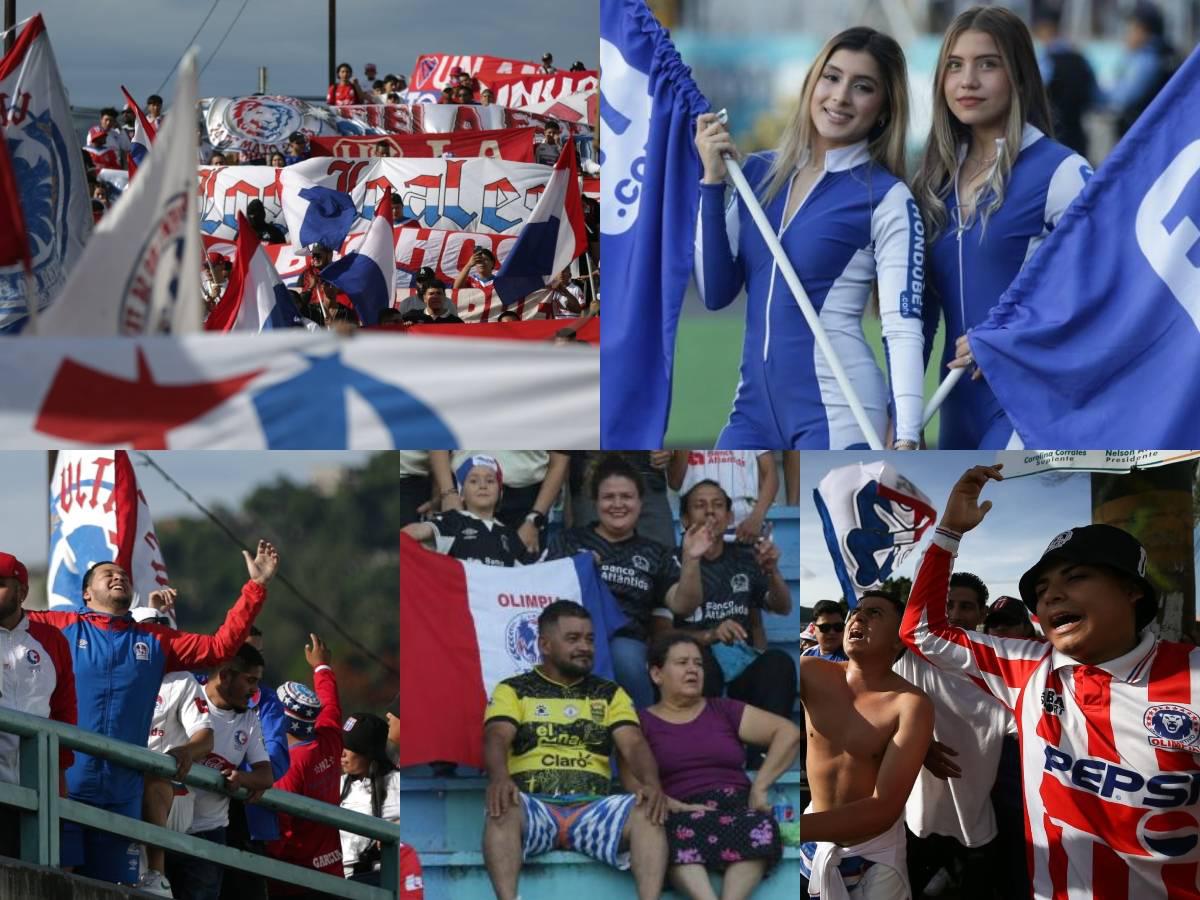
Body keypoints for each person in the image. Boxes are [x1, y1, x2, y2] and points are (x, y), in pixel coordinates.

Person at [902, 463, 1200, 898]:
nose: (1051, 596)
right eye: (1041, 590)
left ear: (1133, 590)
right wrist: (948, 531)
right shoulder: (1027, 667)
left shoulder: (1192, 677)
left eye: (1076, 577)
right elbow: (921, 631)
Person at [695, 27, 925, 449]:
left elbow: (902, 326)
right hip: (751, 411)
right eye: (832, 77)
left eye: (862, 87)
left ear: (884, 109)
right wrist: (711, 183)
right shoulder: (756, 174)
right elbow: (714, 292)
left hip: (842, 412)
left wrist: (908, 433)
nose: (840, 97)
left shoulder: (886, 196)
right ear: (812, 83)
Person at [26, 542, 278, 886]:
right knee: (54, 884)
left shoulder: (156, 640)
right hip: (65, 785)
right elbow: (9, 615)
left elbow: (220, 647)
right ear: (86, 592)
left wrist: (256, 587)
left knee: (114, 891)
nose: (118, 577)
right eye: (107, 574)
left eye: (123, 575)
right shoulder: (61, 625)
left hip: (123, 794)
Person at [913, 6, 1092, 449]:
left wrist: (1010, 338)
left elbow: (1101, 295)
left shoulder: (1063, 172)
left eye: (987, 64)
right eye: (954, 66)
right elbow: (921, 320)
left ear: (1020, 77)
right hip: (953, 408)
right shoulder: (932, 183)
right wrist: (902, 414)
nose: (967, 81)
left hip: (1030, 406)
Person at [482, 601, 669, 900]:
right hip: (535, 808)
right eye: (573, 639)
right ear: (544, 644)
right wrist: (499, 778)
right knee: (502, 806)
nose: (585, 646)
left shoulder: (610, 693)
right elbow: (496, 737)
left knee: (648, 811)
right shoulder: (514, 689)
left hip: (593, 810)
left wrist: (652, 785)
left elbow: (633, 743)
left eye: (590, 639)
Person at [639, 631, 801, 899]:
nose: (693, 669)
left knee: (759, 825)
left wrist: (759, 787)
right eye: (682, 663)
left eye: (698, 664)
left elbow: (787, 733)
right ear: (656, 674)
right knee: (670, 834)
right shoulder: (642, 722)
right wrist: (675, 805)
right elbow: (635, 781)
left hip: (735, 805)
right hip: (680, 808)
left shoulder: (722, 710)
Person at [798, 591, 934, 898]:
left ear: (899, 640)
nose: (857, 617)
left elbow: (882, 809)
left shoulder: (911, 705)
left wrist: (788, 830)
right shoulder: (811, 672)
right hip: (813, 843)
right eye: (856, 611)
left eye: (874, 613)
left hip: (874, 857)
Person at [544, 454, 705, 708]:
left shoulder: (655, 553)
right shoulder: (570, 542)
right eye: (609, 497)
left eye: (627, 497)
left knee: (625, 657)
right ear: (595, 501)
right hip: (572, 636)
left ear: (640, 503)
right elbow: (540, 587)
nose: (618, 504)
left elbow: (684, 604)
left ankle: (637, 737)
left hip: (625, 644)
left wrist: (692, 560)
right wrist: (577, 568)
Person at [891, 571, 1012, 899]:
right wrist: (917, 744)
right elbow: (876, 711)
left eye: (967, 607)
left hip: (976, 825)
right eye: (948, 606)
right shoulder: (912, 657)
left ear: (982, 614)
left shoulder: (1002, 674)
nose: (956, 615)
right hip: (917, 821)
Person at [674, 481, 796, 737]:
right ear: (685, 518)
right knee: (699, 665)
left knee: (779, 663)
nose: (710, 512)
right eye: (700, 506)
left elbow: (783, 607)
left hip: (740, 660)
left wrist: (773, 571)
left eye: (718, 505)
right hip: (696, 658)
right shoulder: (671, 560)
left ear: (729, 516)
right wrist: (711, 636)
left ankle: (762, 752)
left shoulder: (744, 556)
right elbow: (661, 634)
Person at [165, 644, 274, 900]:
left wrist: (242, 778)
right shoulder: (187, 697)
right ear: (225, 675)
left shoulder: (248, 720)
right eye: (250, 680)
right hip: (166, 824)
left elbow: (265, 775)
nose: (255, 690)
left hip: (209, 834)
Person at [0, 553, 76, 860]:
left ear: (22, 592)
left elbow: (64, 712)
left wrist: (59, 774)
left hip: (38, 787)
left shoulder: (50, 640)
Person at [137, 602, 216, 899]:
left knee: (152, 780)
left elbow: (206, 737)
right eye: (148, 633)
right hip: (120, 782)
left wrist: (186, 750)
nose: (157, 642)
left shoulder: (182, 679)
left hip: (172, 793)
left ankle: (157, 876)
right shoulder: (116, 671)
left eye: (162, 634)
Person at [267, 634, 345, 894]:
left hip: (296, 879)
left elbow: (280, 830)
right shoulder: (329, 736)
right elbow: (330, 702)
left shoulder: (286, 765)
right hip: (333, 871)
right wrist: (321, 667)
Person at [402, 455, 531, 566]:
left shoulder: (510, 535)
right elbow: (413, 532)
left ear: (500, 493)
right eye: (474, 481)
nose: (483, 486)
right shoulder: (453, 521)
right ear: (461, 493)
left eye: (490, 481)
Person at [432, 451, 570, 555]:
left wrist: (534, 519)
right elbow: (437, 432)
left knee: (519, 583)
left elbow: (561, 460)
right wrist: (447, 492)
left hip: (527, 504)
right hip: (462, 496)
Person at [568, 451, 677, 550]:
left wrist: (671, 449)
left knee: (662, 556)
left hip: (648, 469)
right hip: (593, 465)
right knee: (586, 560)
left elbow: (677, 481)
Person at [338, 713, 399, 885]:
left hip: (381, 880)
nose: (342, 753)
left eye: (351, 747)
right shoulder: (337, 785)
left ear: (369, 752)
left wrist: (395, 829)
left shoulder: (398, 783)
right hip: (336, 878)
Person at [669, 450, 778, 543]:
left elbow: (771, 474)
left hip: (744, 528)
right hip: (697, 529)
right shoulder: (683, 425)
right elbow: (674, 482)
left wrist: (757, 517)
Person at [1031, 7, 1098, 159]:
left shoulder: (1046, 60)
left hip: (1054, 132)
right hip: (1078, 132)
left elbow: (1034, 93)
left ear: (1045, 30)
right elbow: (1095, 95)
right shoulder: (1081, 57)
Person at [1108, 1, 1178, 137]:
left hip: (1140, 133)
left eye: (1131, 28)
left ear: (1143, 30)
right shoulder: (1166, 53)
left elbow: (1122, 98)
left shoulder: (1147, 59)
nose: (1127, 34)